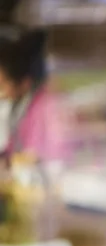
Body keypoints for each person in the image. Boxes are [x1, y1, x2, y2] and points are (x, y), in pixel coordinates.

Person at [0, 26, 72, 180]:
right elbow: (12, 147)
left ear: (25, 83)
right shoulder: (20, 104)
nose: (1, 93)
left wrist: (11, 163)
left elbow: (40, 156)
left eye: (3, 85)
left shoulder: (44, 107)